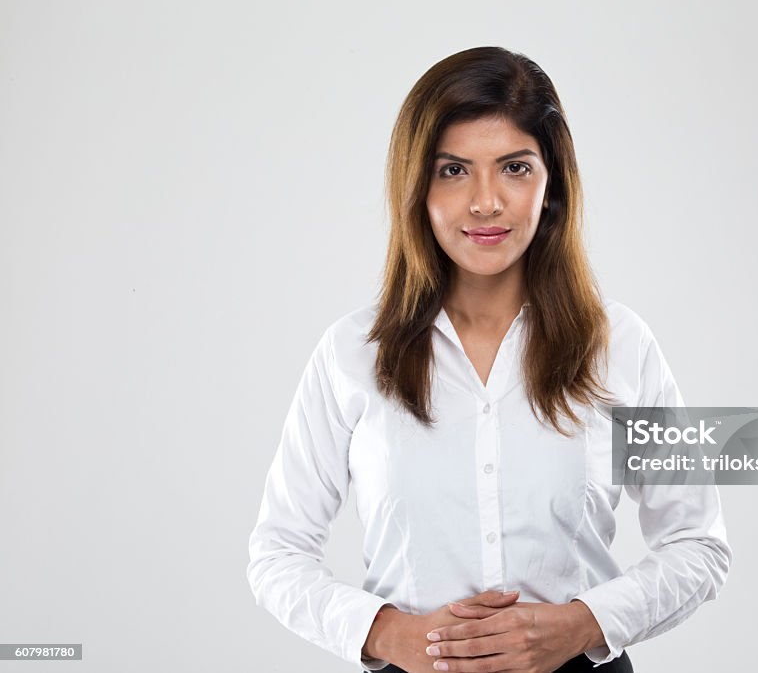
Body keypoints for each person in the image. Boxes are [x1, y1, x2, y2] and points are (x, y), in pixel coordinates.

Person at [247, 46, 731, 673]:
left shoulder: (620, 344)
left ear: (551, 182)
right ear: (416, 184)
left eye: (514, 168)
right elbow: (277, 552)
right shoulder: (351, 354)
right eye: (453, 170)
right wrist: (390, 634)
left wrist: (580, 625)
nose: (485, 202)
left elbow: (698, 543)